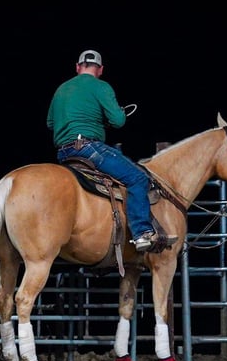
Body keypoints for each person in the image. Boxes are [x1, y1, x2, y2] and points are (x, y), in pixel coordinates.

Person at [46, 49, 176, 253]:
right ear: (100, 70)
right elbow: (118, 120)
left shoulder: (61, 89)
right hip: (89, 149)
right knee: (138, 178)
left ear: (78, 67)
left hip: (64, 153)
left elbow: (50, 123)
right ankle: (142, 233)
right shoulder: (101, 86)